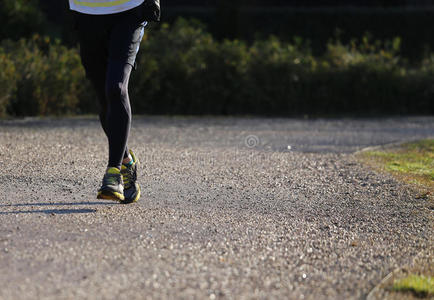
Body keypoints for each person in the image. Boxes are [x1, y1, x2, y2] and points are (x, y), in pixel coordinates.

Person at [69, 0, 160, 203]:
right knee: (105, 101)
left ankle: (113, 173)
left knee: (115, 88)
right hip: (86, 11)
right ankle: (126, 160)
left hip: (129, 10)